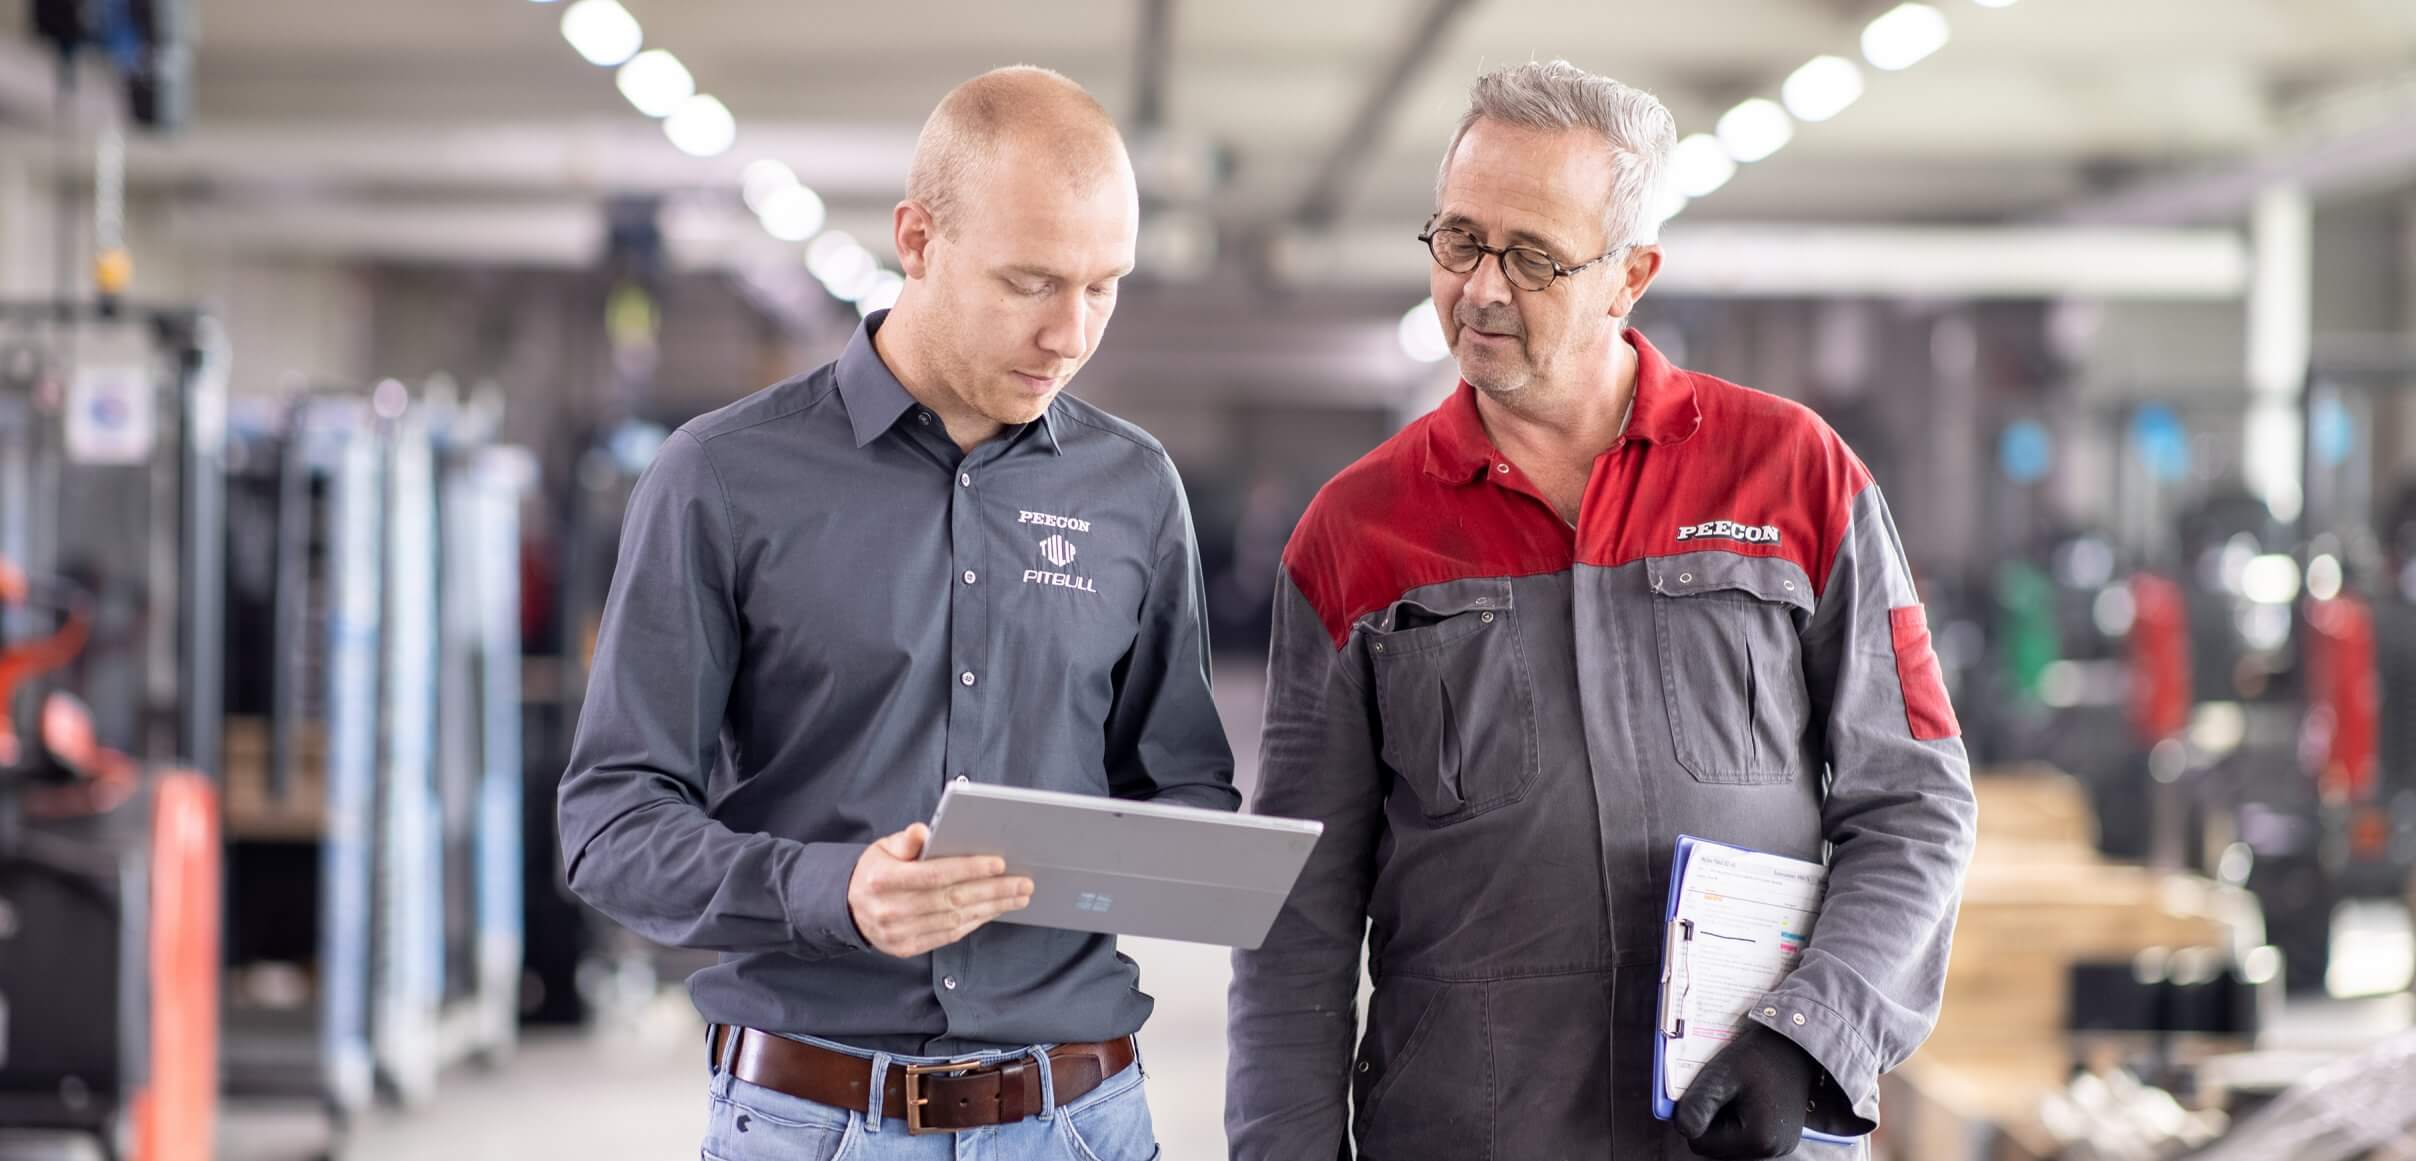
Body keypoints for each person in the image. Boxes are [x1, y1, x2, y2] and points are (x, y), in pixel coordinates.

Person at [1225, 60, 1977, 1161]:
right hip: (1470, 1133)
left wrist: (1810, 1039)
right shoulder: (1355, 534)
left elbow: (1912, 805)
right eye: (1458, 240)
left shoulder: (1795, 476)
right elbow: (1296, 910)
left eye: (1531, 257)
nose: (1481, 287)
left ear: (1630, 275)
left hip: (1746, 1125)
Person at [557, 65, 1236, 1159]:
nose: (1071, 332)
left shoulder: (1134, 490)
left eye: (1103, 285)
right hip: (811, 1119)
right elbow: (609, 828)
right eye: (1031, 282)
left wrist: (1184, 856)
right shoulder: (723, 478)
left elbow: (1181, 783)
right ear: (916, 240)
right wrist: (832, 891)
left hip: (1079, 1119)